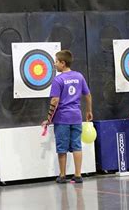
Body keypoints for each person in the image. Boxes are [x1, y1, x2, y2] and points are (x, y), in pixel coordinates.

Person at [42, 50, 93, 183]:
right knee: (76, 146)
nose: (54, 64)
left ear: (63, 63)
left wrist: (49, 119)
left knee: (62, 147)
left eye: (56, 61)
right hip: (76, 117)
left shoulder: (58, 80)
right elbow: (87, 95)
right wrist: (89, 110)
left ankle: (63, 175)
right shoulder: (79, 76)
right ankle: (78, 175)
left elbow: (54, 101)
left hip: (62, 118)